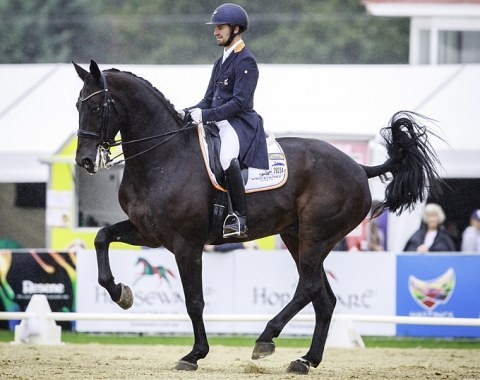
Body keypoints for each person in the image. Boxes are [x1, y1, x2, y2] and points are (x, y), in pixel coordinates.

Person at [183, 3, 268, 239]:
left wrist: (206, 115)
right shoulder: (220, 62)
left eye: (220, 27)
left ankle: (239, 218)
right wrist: (186, 112)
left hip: (240, 124)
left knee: (226, 155)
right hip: (218, 121)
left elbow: (239, 103)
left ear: (236, 29)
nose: (215, 32)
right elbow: (208, 100)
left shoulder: (246, 61)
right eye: (215, 28)